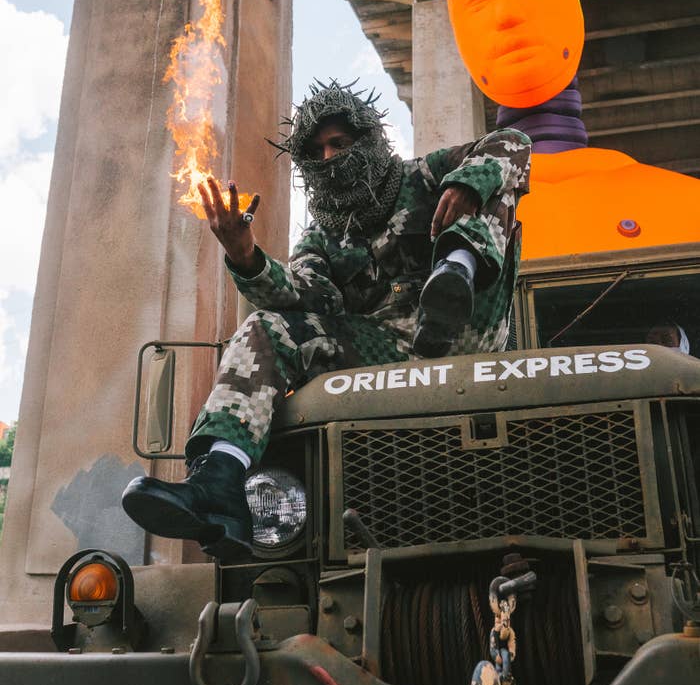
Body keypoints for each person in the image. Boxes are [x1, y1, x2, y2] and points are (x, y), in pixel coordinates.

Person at [122, 80, 531, 561]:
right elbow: (302, 295)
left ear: (368, 139)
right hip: (390, 353)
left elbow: (517, 144)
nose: (331, 156)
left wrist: (467, 185)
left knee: (487, 182)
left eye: (340, 143)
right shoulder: (321, 237)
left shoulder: (425, 175)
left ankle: (453, 271)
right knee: (265, 327)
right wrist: (246, 255)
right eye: (318, 150)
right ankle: (220, 481)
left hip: (472, 328)